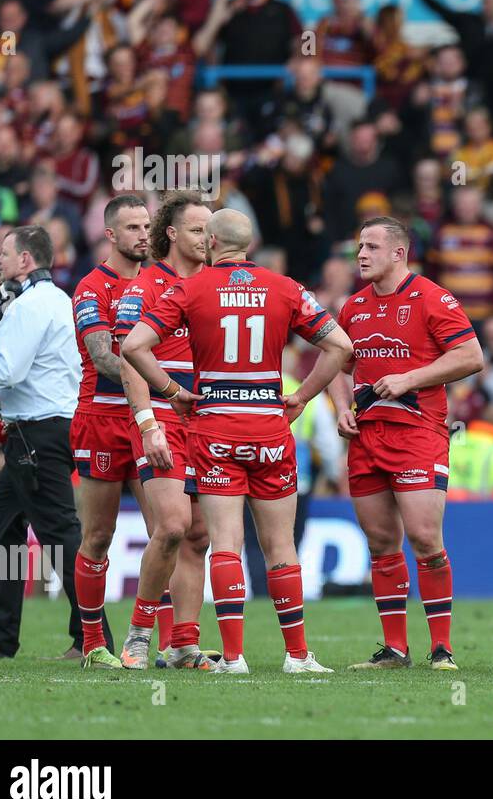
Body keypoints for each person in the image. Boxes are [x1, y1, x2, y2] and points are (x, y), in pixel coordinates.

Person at [121, 209, 353, 675]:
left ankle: (233, 658)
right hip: (269, 426)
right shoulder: (285, 287)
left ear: (209, 242)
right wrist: (302, 398)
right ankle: (298, 656)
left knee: (224, 544)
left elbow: (131, 347)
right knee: (280, 546)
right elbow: (342, 348)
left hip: (215, 426)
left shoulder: (189, 288)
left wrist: (173, 393)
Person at [333, 217, 484, 671]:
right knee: (381, 543)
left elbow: (471, 356)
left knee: (423, 537)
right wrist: (342, 406)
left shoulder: (432, 298)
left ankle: (442, 648)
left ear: (398, 253)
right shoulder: (352, 308)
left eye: (372, 246)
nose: (361, 254)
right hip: (366, 436)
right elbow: (338, 366)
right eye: (359, 246)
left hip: (419, 433)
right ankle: (395, 649)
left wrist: (409, 379)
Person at [0, 226, 100, 660]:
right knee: (4, 528)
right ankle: (1, 634)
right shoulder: (58, 301)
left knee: (61, 536)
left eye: (5, 254)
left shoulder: (30, 307)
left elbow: (8, 371)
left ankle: (92, 638)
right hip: (42, 432)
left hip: (36, 434)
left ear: (25, 260)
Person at [113, 192, 215, 670]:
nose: (207, 239)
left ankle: (183, 645)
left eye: (210, 231)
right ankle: (138, 634)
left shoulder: (215, 285)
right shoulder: (145, 286)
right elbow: (130, 357)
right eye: (197, 230)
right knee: (173, 525)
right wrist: (147, 423)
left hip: (207, 420)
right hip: (162, 416)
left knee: (197, 536)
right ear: (171, 235)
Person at [68, 194, 151, 669]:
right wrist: (164, 382)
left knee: (169, 531)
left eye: (147, 225)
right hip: (101, 420)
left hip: (148, 421)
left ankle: (160, 639)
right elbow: (102, 356)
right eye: (134, 227)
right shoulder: (91, 288)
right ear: (111, 235)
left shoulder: (162, 283)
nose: (144, 234)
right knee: (98, 535)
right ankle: (94, 643)